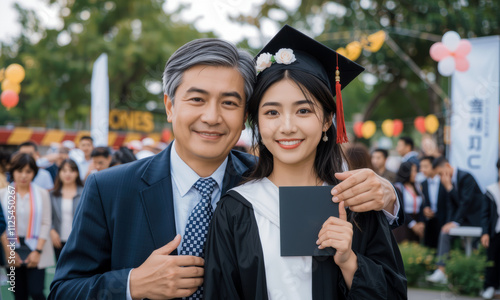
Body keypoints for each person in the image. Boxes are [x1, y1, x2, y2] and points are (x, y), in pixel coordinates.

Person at [50, 37, 403, 300]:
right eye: (197, 99)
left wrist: (390, 197)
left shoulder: (267, 185)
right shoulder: (109, 189)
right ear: (170, 106)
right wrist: (131, 285)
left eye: (229, 102)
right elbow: (63, 290)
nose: (212, 117)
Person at [204, 25, 406, 299]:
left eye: (303, 110)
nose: (287, 127)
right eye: (272, 112)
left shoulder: (355, 203)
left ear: (326, 120)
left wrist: (349, 262)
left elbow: (393, 293)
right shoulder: (235, 210)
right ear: (257, 123)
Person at [0, 153, 54, 300]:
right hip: (11, 247)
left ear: (34, 173)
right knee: (19, 294)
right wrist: (9, 252)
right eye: (19, 171)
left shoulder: (42, 193)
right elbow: (1, 225)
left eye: (28, 171)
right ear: (13, 171)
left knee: (37, 292)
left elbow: (46, 222)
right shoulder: (3, 194)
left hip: (36, 247)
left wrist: (37, 251)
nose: (23, 175)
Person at [426, 156, 483, 284]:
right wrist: (449, 223)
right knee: (445, 232)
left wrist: (449, 188)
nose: (441, 177)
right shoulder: (447, 182)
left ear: (447, 166)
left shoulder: (466, 177)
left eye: (441, 173)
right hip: (461, 219)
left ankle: (476, 276)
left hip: (476, 219)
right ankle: (441, 270)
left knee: (475, 246)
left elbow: (465, 203)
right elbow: (450, 206)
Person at [50, 159, 84, 261]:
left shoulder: (84, 193)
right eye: (64, 171)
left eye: (71, 170)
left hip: (79, 241)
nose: (67, 174)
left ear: (77, 173)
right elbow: (48, 217)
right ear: (59, 173)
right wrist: (51, 231)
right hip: (58, 241)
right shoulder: (52, 194)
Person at [480, 159, 500, 299]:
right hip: (495, 231)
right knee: (492, 259)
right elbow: (485, 214)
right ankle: (489, 287)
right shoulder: (490, 190)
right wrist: (485, 232)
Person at [419, 156, 448, 248]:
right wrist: (424, 209)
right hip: (429, 222)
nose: (422, 169)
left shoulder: (445, 181)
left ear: (434, 166)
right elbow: (422, 203)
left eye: (425, 166)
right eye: (421, 167)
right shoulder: (422, 184)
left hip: (444, 221)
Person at [392, 162, 424, 243]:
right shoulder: (398, 188)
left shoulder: (417, 186)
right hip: (404, 223)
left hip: (417, 221)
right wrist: (413, 224)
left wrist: (421, 222)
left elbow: (421, 206)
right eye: (414, 171)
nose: (415, 174)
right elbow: (400, 209)